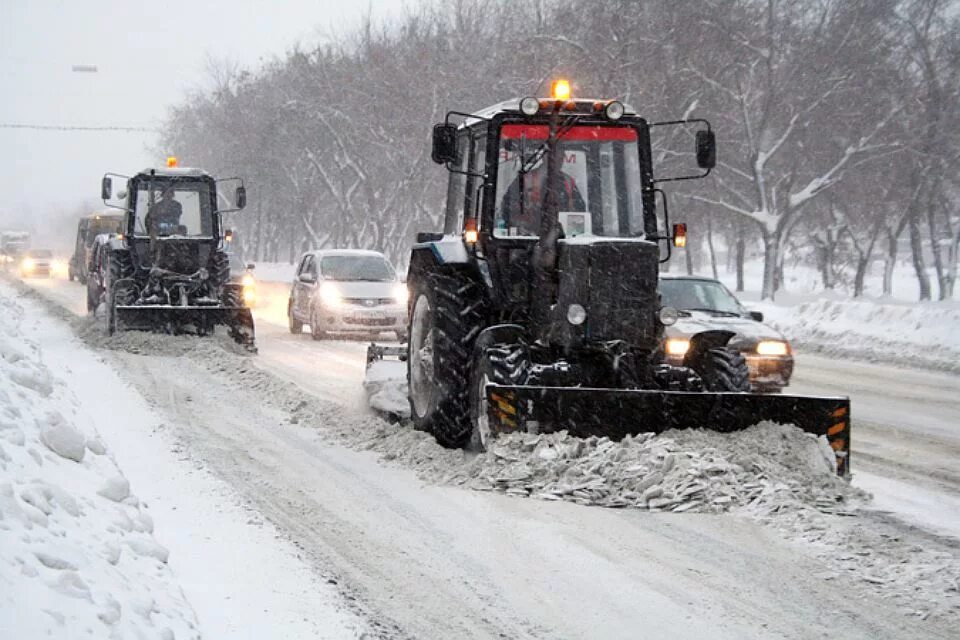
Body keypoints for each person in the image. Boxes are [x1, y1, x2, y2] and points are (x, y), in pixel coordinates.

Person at [499, 162, 586, 235]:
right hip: (527, 240)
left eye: (561, 153)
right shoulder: (526, 179)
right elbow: (507, 209)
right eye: (554, 153)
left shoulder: (568, 181)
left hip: (562, 240)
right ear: (545, 155)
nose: (558, 158)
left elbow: (581, 215)